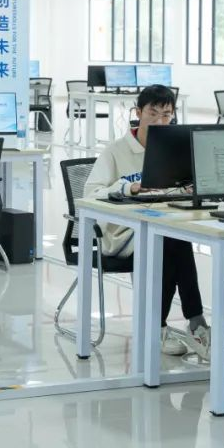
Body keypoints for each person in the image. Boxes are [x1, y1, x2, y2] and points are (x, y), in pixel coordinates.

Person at [83, 84, 211, 359]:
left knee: (174, 238)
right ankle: (186, 324)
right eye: (153, 113)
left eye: (166, 115)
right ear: (138, 112)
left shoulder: (174, 148)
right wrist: (128, 187)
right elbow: (90, 192)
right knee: (171, 241)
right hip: (121, 233)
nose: (160, 121)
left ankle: (181, 323)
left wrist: (190, 188)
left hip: (160, 224)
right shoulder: (116, 151)